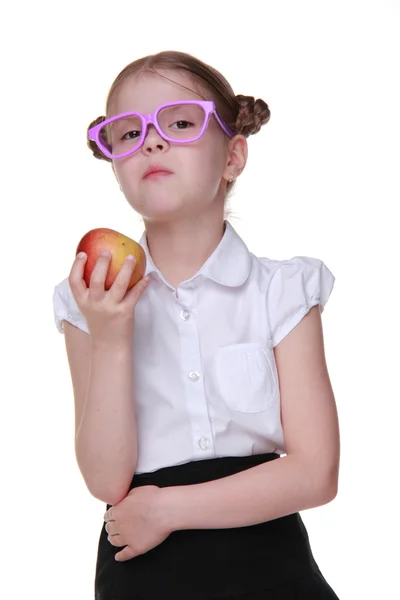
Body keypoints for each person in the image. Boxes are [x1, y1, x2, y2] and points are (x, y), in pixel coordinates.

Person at [53, 50, 340, 600]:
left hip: (270, 566)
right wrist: (111, 338)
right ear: (114, 163)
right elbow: (106, 482)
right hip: (142, 572)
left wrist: (167, 509)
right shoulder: (88, 296)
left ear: (233, 156)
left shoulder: (282, 293)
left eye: (180, 122)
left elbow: (315, 473)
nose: (154, 141)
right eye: (130, 132)